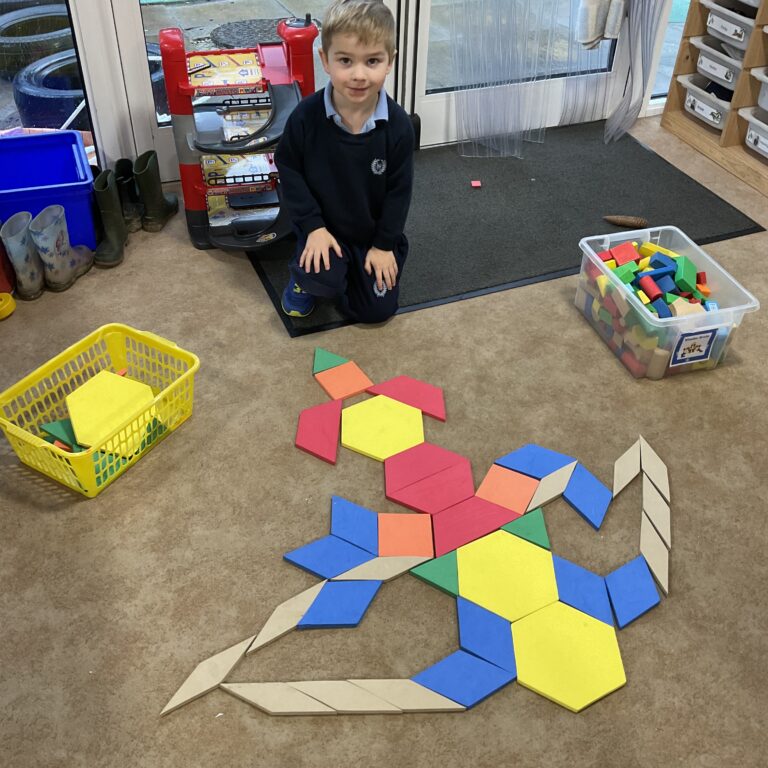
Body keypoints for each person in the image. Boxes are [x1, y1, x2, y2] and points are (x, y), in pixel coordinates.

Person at [275, 0, 415, 322]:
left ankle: (350, 270)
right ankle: (305, 275)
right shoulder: (305, 117)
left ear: (390, 61)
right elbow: (289, 170)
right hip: (323, 228)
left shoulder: (398, 127)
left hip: (369, 234)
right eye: (345, 61)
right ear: (325, 60)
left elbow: (399, 193)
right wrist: (312, 227)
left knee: (376, 311)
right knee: (321, 280)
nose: (359, 75)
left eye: (372, 61)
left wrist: (383, 246)